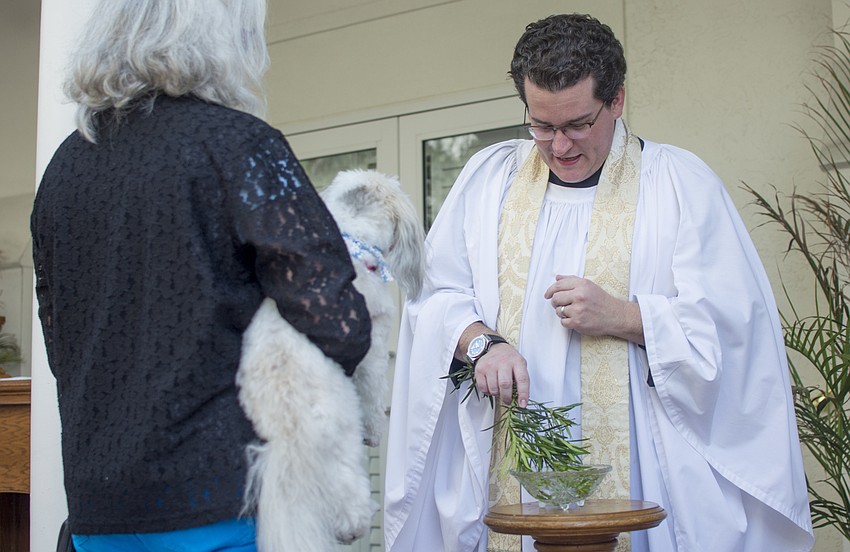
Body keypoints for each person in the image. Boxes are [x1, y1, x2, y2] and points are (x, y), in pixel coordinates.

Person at [384, 13, 814, 552]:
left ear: (617, 101)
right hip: (507, 458)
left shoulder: (679, 185)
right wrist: (481, 343)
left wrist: (625, 316)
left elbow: (736, 331)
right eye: (541, 126)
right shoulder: (487, 180)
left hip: (648, 467)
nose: (559, 146)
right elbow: (435, 293)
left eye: (578, 125)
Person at [31, 1, 372, 551]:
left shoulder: (64, 168)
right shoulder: (236, 144)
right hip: (221, 497)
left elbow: (60, 338)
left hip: (98, 509)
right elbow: (340, 323)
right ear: (227, 39)